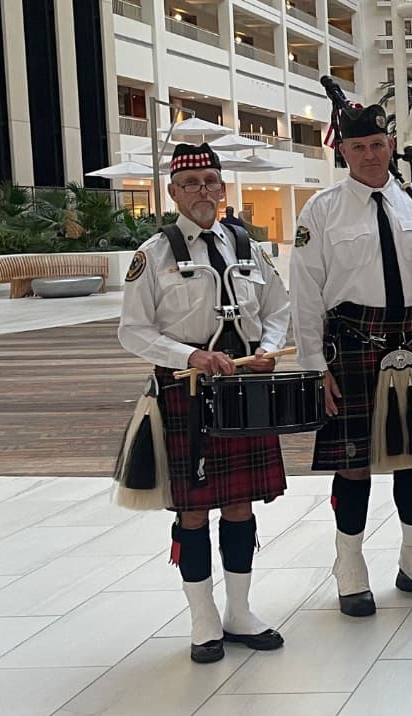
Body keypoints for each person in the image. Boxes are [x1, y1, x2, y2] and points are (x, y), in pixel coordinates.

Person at [118, 142, 289, 663]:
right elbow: (132, 331)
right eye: (191, 184)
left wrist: (266, 348)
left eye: (211, 182)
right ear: (172, 191)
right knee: (192, 513)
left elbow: (278, 307)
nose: (203, 192)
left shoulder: (247, 246)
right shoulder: (154, 253)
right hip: (185, 391)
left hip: (245, 388)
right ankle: (202, 620)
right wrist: (187, 355)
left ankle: (240, 612)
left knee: (239, 503)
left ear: (222, 188)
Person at [290, 103, 412, 617]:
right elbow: (304, 291)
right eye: (359, 147)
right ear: (343, 151)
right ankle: (350, 569)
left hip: (410, 342)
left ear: (390, 145)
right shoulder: (321, 210)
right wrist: (313, 365)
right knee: (353, 464)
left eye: (377, 144)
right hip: (352, 346)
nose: (370, 154)